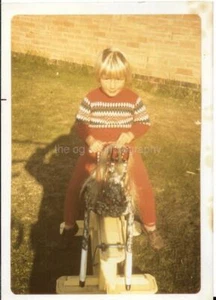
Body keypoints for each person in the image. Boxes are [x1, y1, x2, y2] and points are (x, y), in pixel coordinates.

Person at [60, 47, 164, 250]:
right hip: (95, 150)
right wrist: (90, 139)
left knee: (142, 186)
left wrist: (130, 134)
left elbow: (144, 122)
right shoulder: (91, 98)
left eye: (118, 79)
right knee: (75, 185)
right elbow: (80, 122)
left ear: (126, 77)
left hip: (124, 151)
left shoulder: (133, 99)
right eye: (107, 78)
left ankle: (151, 228)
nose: (112, 84)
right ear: (99, 76)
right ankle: (70, 225)